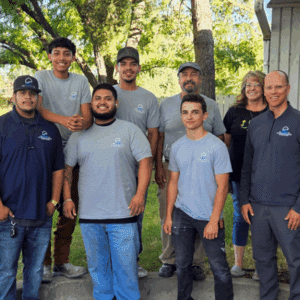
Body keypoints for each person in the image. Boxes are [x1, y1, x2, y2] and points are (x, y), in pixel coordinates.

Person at [63, 83, 152, 300]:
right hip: (90, 215)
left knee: (126, 267)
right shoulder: (79, 136)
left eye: (108, 98)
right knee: (97, 266)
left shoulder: (130, 130)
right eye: (98, 98)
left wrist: (140, 194)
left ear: (116, 103)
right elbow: (67, 169)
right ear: (91, 103)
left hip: (123, 213)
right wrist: (67, 198)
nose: (102, 102)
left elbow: (146, 161)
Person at [156, 62, 226, 279]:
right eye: (184, 74)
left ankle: (196, 262)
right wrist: (158, 165)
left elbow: (221, 137)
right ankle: (169, 259)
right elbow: (158, 136)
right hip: (170, 167)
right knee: (168, 213)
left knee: (201, 212)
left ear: (200, 79)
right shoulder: (165, 105)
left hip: (203, 167)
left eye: (194, 74)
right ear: (178, 79)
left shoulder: (211, 105)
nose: (189, 78)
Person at [0, 76, 64, 299]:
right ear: (14, 97)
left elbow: (58, 169)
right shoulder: (2, 125)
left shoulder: (50, 129)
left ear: (38, 98)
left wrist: (54, 201)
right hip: (9, 217)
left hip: (41, 216)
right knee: (6, 272)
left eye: (32, 94)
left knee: (35, 270)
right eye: (23, 93)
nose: (28, 97)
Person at [163, 94, 233, 300]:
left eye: (195, 112)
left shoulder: (216, 146)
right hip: (182, 213)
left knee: (219, 267)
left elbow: (223, 186)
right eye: (185, 112)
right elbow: (173, 183)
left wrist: (214, 219)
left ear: (204, 115)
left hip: (208, 216)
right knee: (183, 265)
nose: (189, 117)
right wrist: (168, 216)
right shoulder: (177, 147)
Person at [35, 37, 92, 281]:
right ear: (50, 56)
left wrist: (81, 122)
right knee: (45, 205)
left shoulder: (80, 81)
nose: (61, 58)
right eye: (56, 53)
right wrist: (64, 120)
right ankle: (43, 263)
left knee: (70, 207)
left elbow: (87, 116)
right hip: (45, 148)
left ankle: (62, 261)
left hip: (74, 149)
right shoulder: (40, 77)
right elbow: (39, 109)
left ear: (72, 58)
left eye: (66, 54)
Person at [240, 70, 300, 300]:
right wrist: (244, 200)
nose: (273, 92)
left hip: (288, 209)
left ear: (287, 88)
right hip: (258, 207)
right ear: (263, 91)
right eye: (269, 87)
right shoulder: (256, 124)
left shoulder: (297, 121)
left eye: (278, 87)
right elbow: (246, 166)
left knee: (295, 260)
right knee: (263, 260)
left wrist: (298, 207)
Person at [114, 47, 159, 277]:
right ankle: (113, 261)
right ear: (117, 68)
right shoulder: (107, 94)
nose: (128, 68)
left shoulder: (148, 98)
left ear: (139, 68)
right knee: (111, 215)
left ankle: (134, 259)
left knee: (135, 214)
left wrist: (147, 165)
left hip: (136, 169)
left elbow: (153, 134)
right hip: (110, 168)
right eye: (124, 64)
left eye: (133, 64)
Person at [223, 70, 267, 280]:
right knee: (241, 217)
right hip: (239, 174)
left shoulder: (273, 112)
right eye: (248, 85)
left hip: (266, 175)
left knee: (262, 220)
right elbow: (226, 143)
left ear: (264, 88)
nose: (251, 88)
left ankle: (262, 265)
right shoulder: (234, 112)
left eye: (256, 84)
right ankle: (238, 264)